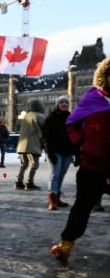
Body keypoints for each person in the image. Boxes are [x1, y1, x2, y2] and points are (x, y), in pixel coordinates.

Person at [51, 56, 110, 265]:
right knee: (81, 209)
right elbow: (72, 124)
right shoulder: (92, 97)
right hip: (92, 166)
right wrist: (82, 144)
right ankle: (65, 246)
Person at [42, 95, 76, 210]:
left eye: (66, 102)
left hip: (67, 151)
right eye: (61, 102)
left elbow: (74, 135)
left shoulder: (72, 117)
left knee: (61, 175)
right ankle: (52, 201)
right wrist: (49, 151)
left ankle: (57, 198)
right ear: (57, 104)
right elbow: (45, 136)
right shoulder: (51, 118)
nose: (64, 104)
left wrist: (75, 151)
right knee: (54, 175)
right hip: (55, 151)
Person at [14, 100, 45, 190]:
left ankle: (18, 182)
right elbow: (46, 129)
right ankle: (29, 182)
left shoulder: (26, 116)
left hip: (22, 145)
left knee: (24, 164)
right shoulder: (40, 116)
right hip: (33, 145)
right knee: (34, 164)